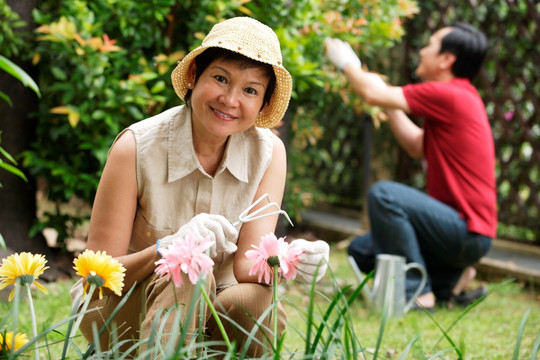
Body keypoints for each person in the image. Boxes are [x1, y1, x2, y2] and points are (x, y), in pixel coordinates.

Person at [70, 17, 330, 357]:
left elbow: (247, 268)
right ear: (194, 75)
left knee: (256, 298)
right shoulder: (136, 147)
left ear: (263, 104)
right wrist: (168, 248)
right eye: (220, 78)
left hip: (212, 307)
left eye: (250, 90)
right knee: (188, 272)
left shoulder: (268, 153)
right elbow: (97, 275)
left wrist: (293, 258)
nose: (230, 99)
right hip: (121, 310)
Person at [324, 22, 496, 310]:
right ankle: (449, 281)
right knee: (361, 251)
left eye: (430, 44)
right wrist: (390, 102)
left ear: (446, 59)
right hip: (461, 235)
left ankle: (420, 293)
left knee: (384, 196)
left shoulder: (450, 94)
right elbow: (416, 144)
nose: (422, 50)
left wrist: (346, 61)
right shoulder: (458, 97)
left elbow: (371, 93)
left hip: (465, 231)